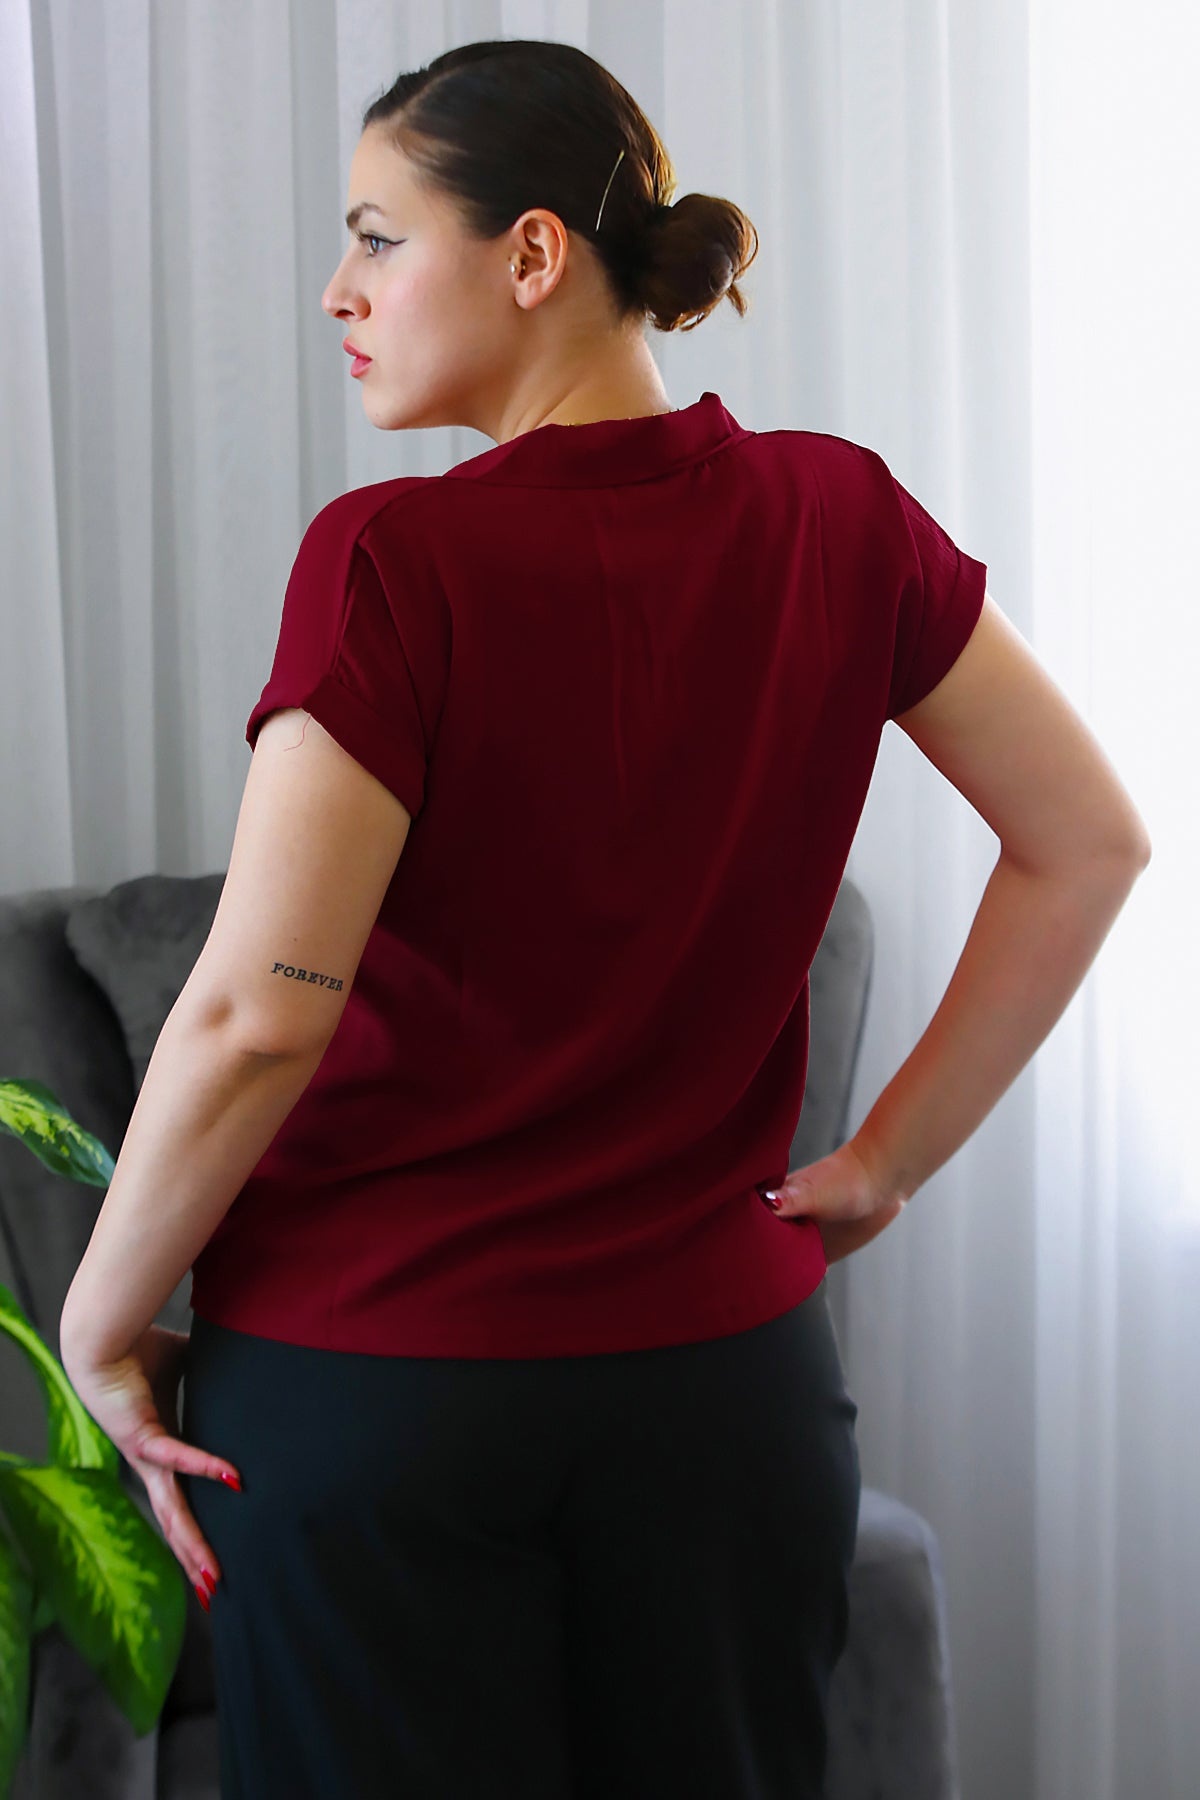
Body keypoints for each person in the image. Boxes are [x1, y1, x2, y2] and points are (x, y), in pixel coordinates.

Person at [171, 34, 1151, 1800]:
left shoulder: (391, 559)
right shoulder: (840, 515)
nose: (338, 291)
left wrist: (103, 1320)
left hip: (382, 1390)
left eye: (377, 237)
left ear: (533, 254)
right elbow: (1089, 843)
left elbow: (258, 1013)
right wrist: (891, 1160)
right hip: (726, 1392)